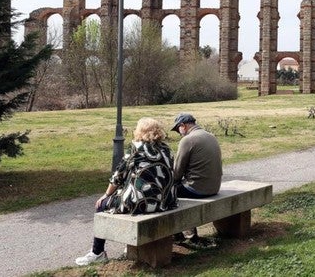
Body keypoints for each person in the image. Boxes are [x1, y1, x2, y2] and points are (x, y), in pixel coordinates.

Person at [76, 118, 176, 266]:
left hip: (143, 203)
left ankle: (97, 253)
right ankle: (126, 247)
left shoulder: (137, 148)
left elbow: (118, 175)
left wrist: (106, 195)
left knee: (101, 205)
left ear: (140, 131)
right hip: (165, 202)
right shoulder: (166, 149)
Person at [171, 113, 222, 242]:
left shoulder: (188, 140)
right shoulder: (210, 136)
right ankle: (186, 234)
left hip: (197, 189)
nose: (179, 133)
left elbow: (177, 173)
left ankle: (181, 235)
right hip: (214, 187)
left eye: (178, 129)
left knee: (167, 193)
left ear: (183, 125)